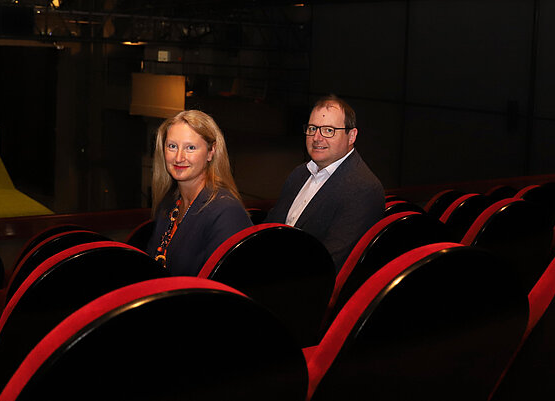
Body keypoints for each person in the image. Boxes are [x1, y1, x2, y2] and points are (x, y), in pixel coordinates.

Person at [266, 95, 384, 272]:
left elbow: (329, 264)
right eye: (313, 128)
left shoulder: (364, 189)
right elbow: (270, 227)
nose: (317, 137)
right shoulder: (299, 173)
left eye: (329, 130)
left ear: (351, 136)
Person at [146, 110, 252, 276]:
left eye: (190, 148)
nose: (179, 158)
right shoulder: (169, 203)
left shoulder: (226, 211)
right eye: (172, 146)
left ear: (211, 152)